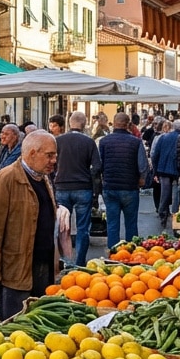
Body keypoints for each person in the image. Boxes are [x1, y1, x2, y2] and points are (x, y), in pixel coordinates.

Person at [0, 131, 60, 319]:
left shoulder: (43, 177)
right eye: (49, 155)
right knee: (15, 326)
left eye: (55, 155)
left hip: (43, 265)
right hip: (16, 269)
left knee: (39, 324)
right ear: (32, 153)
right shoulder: (7, 178)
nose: (54, 160)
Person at [53, 111, 101, 263]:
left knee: (62, 228)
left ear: (69, 123)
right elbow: (97, 166)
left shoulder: (58, 141)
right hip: (83, 187)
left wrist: (56, 174)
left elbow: (51, 162)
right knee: (82, 228)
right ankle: (80, 262)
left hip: (61, 186)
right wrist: (88, 174)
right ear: (85, 123)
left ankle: (64, 261)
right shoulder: (89, 142)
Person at [97, 113, 147, 248]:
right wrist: (142, 178)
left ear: (114, 123)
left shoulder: (104, 142)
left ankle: (113, 252)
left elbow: (99, 164)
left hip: (110, 186)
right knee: (131, 222)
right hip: (130, 187)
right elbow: (143, 165)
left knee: (112, 223)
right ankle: (132, 251)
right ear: (128, 124)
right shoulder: (136, 142)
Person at [150, 121, 180, 230]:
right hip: (176, 170)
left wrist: (155, 171)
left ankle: (163, 213)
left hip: (163, 169)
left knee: (164, 192)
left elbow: (155, 155)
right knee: (175, 193)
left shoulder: (162, 138)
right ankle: (175, 214)